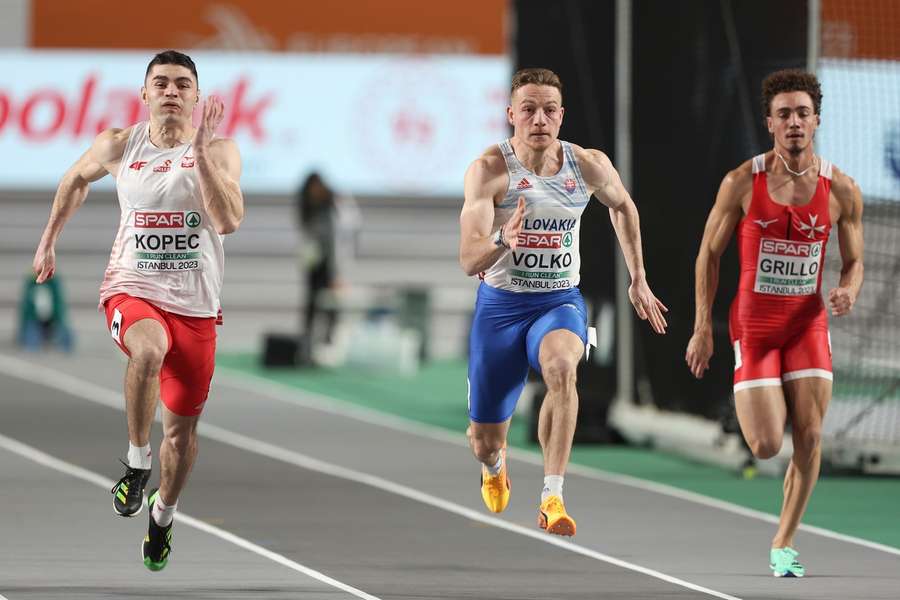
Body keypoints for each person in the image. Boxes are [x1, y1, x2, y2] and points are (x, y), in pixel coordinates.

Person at [31, 50, 243, 571]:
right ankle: (134, 462)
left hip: (196, 305)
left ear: (196, 97)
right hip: (132, 287)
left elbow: (228, 221)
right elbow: (74, 180)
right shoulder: (118, 145)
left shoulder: (220, 152)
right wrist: (48, 239)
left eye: (182, 85)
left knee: (182, 436)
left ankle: (163, 516)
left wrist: (198, 155)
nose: (171, 92)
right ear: (145, 94)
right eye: (161, 83)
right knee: (148, 348)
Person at [460, 67, 667, 536]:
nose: (539, 119)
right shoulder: (489, 171)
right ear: (511, 114)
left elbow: (623, 207)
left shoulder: (587, 164)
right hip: (500, 309)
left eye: (549, 110)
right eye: (528, 109)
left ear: (561, 115)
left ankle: (552, 496)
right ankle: (495, 466)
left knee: (561, 367)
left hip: (558, 301)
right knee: (483, 441)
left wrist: (638, 277)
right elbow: (468, 258)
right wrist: (502, 239)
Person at [686, 69, 863, 577]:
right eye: (784, 114)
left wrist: (848, 289)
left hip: (807, 325)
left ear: (816, 122)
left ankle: (784, 541)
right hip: (756, 328)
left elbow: (854, 261)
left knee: (809, 435)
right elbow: (708, 256)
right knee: (765, 444)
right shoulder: (742, 182)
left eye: (802, 113)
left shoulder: (842, 191)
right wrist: (703, 326)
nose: (794, 122)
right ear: (770, 123)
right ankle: (754, 386)